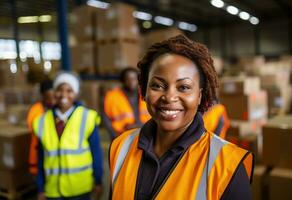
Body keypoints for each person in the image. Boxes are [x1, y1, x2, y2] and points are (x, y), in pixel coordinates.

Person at [109, 35, 254, 200]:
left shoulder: (227, 166)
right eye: (157, 85)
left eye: (183, 87)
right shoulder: (121, 146)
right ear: (144, 90)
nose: (169, 97)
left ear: (200, 96)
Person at [33, 72, 104, 200]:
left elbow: (96, 153)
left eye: (69, 90)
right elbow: (40, 158)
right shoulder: (41, 121)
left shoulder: (88, 118)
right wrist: (40, 188)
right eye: (59, 90)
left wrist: (98, 181)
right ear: (54, 92)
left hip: (81, 189)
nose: (64, 95)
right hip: (53, 190)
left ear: (76, 94)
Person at [102, 67, 151, 139]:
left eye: (134, 79)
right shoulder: (112, 96)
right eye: (128, 79)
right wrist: (114, 136)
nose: (131, 81)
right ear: (123, 80)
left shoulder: (146, 94)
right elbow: (105, 117)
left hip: (145, 134)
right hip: (121, 135)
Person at [27, 80, 55, 175]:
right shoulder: (36, 110)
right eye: (48, 97)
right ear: (43, 96)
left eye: (54, 97)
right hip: (38, 153)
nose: (52, 101)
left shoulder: (57, 109)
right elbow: (34, 129)